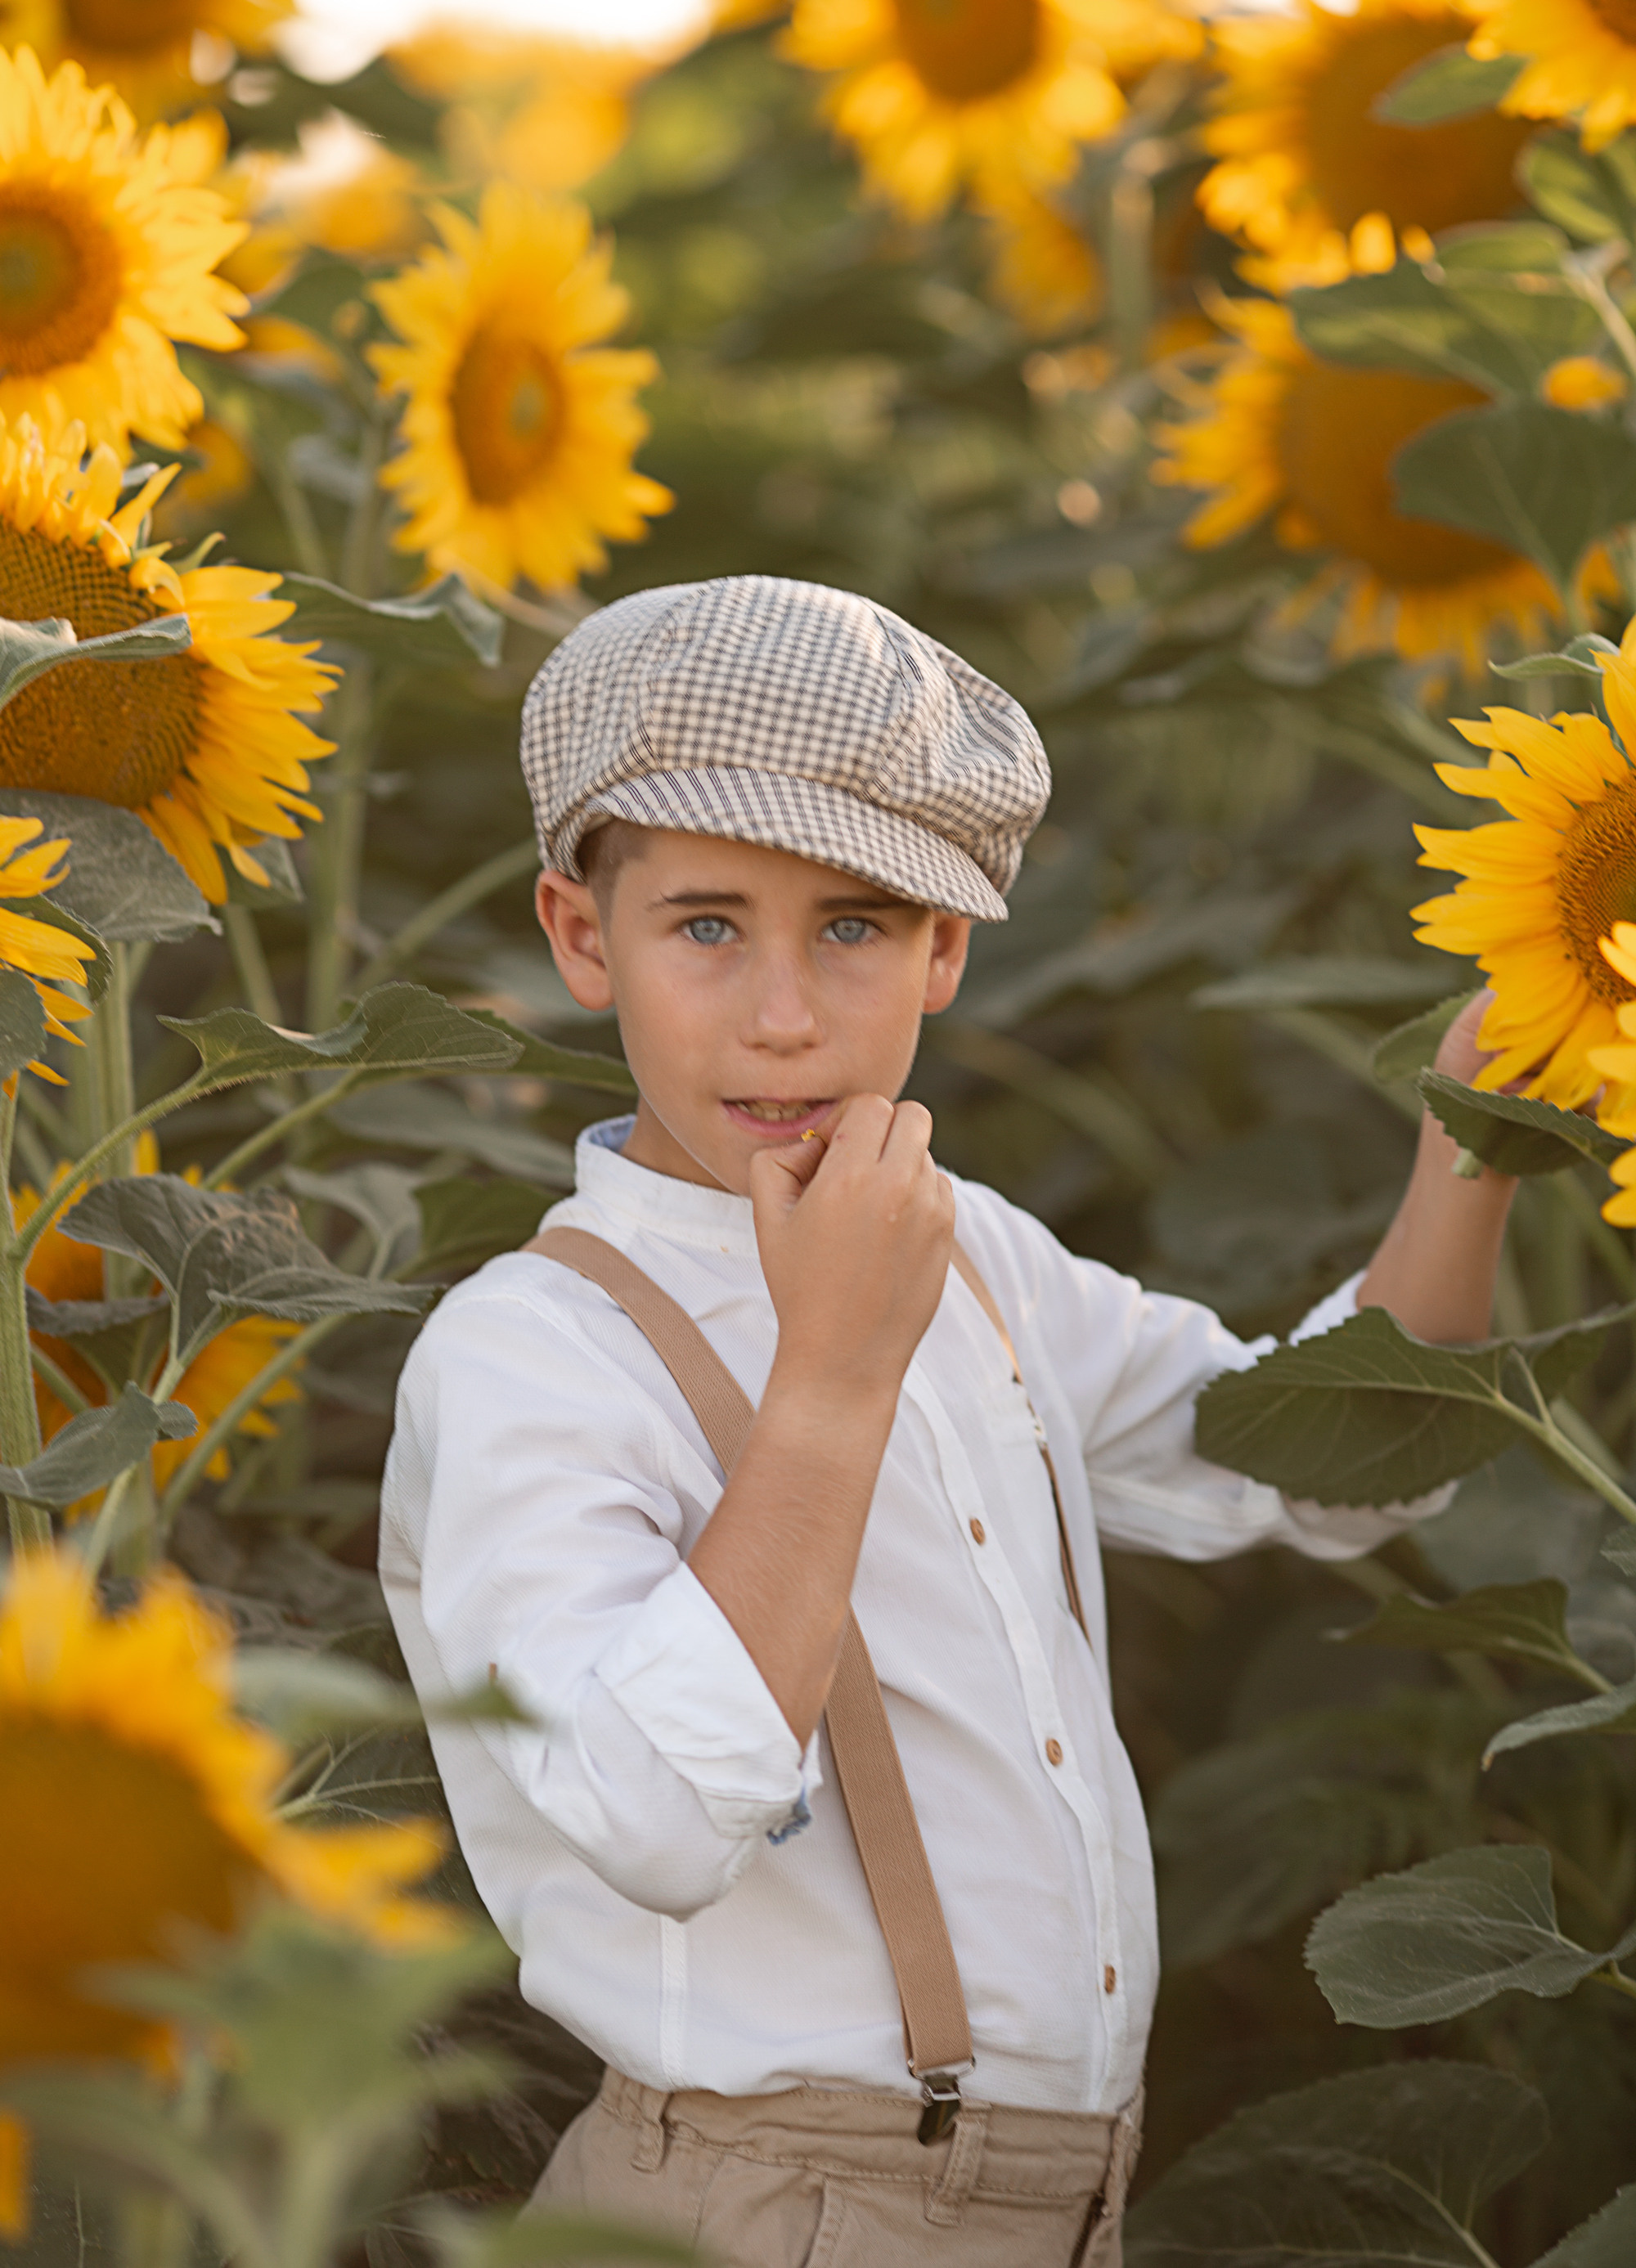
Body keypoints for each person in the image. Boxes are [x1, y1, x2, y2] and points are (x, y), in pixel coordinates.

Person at [380, 575, 1515, 2268]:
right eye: (705, 924)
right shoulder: (530, 1359)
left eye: (850, 925)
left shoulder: (973, 1250)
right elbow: (655, 1823)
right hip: (762, 2209)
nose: (781, 1013)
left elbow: (1332, 1462)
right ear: (576, 934)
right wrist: (829, 1380)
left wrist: (1479, 1134)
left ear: (945, 951)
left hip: (1052, 2200)